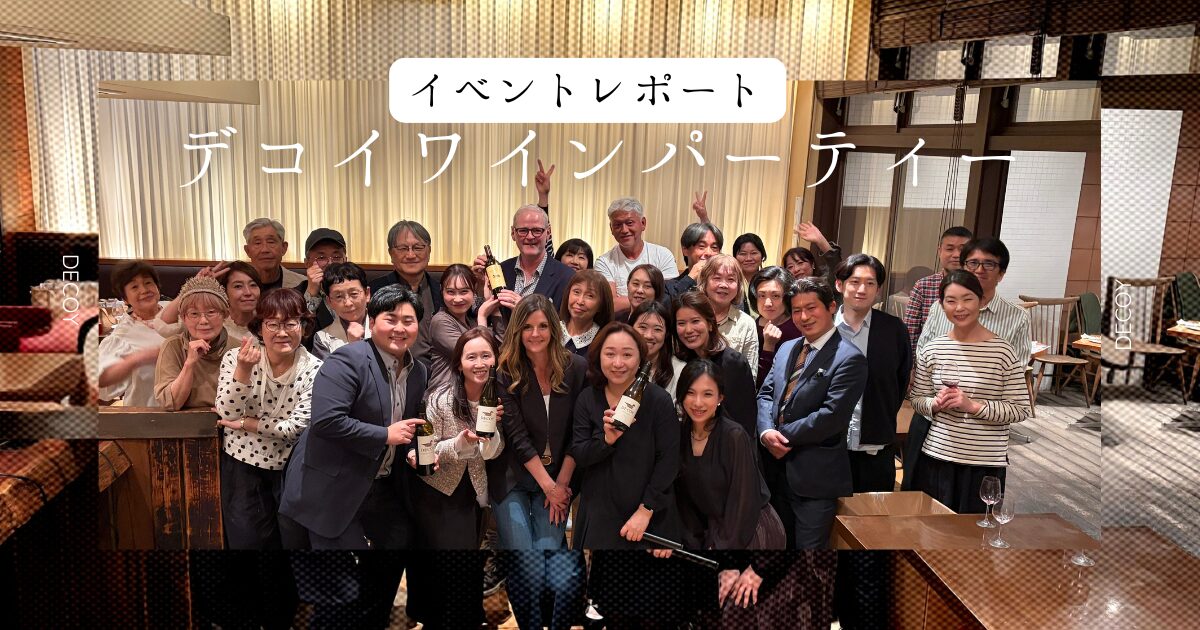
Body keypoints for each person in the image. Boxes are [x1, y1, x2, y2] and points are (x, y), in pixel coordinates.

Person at [278, 286, 429, 626]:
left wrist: (411, 452)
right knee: (337, 592)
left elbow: (407, 426)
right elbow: (327, 421)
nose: (400, 328)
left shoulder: (418, 371)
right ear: (372, 321)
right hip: (331, 487)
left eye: (408, 320)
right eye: (390, 319)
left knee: (396, 545)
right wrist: (385, 435)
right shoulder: (347, 360)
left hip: (380, 485)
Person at [571, 322, 688, 629]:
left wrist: (645, 510)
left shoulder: (658, 400)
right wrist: (606, 440)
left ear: (640, 359)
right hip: (603, 515)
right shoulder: (587, 399)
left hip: (649, 514)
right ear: (598, 356)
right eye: (610, 354)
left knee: (650, 610)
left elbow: (669, 461)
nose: (618, 362)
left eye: (627, 354)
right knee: (610, 608)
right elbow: (580, 454)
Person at [488, 295, 588, 630]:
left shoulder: (576, 367)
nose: (535, 334)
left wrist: (561, 485)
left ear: (554, 329)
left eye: (543, 326)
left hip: (560, 476)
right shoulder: (505, 371)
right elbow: (516, 437)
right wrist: (550, 487)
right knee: (526, 563)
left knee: (546, 560)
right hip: (513, 477)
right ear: (517, 331)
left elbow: (579, 432)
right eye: (527, 327)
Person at [906, 237, 1031, 490]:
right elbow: (920, 394)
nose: (959, 308)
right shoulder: (935, 343)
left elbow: (1018, 405)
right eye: (973, 263)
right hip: (937, 447)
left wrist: (972, 405)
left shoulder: (1004, 345)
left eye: (989, 264)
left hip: (984, 453)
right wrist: (934, 403)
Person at [830, 255, 912, 630]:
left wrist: (878, 424)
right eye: (854, 282)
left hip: (874, 454)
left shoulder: (893, 330)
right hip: (828, 456)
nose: (861, 289)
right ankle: (827, 610)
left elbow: (899, 382)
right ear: (839, 285)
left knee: (869, 542)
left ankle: (861, 619)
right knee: (828, 538)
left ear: (878, 290)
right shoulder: (822, 326)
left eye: (870, 283)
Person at [756, 278, 867, 549]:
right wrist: (765, 431)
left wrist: (779, 435)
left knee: (810, 560)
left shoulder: (849, 357)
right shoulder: (787, 348)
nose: (803, 317)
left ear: (831, 307)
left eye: (811, 308)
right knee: (774, 547)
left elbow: (831, 416)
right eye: (796, 310)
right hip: (774, 473)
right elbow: (765, 395)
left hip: (815, 478)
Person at [215, 288, 320, 549]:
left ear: (303, 327)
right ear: (260, 328)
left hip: (290, 467)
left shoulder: (315, 369)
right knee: (246, 541)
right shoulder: (236, 358)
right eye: (273, 324)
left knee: (293, 542)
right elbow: (227, 412)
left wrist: (246, 423)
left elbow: (295, 428)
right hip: (241, 463)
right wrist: (243, 370)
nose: (282, 332)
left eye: (290, 323)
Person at [675, 360, 785, 550]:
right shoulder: (680, 434)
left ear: (720, 398)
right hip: (713, 530)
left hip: (749, 529)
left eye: (707, 394)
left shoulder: (734, 435)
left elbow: (743, 501)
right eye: (690, 393)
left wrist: (722, 545)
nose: (698, 402)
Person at [673, 291, 757, 437]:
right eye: (681, 323)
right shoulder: (679, 362)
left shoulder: (733, 363)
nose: (688, 330)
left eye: (695, 321)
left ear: (710, 324)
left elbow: (745, 420)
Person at [153, 276, 235, 410]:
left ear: (225, 314)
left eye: (211, 312)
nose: (203, 321)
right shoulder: (173, 346)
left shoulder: (238, 348)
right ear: (183, 318)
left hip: (229, 422)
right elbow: (170, 404)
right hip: (186, 422)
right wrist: (190, 363)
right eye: (194, 314)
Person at [474, 204, 576, 309]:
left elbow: (565, 318)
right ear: (513, 233)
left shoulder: (567, 277)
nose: (530, 236)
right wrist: (481, 284)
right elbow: (482, 313)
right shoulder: (500, 271)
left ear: (548, 233)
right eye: (523, 231)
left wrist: (524, 308)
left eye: (537, 231)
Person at [368, 220, 443, 362]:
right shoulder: (375, 290)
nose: (411, 255)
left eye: (418, 247)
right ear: (391, 253)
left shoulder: (443, 291)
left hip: (436, 372)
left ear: (429, 251)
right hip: (388, 369)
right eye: (403, 248)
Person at [98, 261, 171, 407]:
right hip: (150, 411)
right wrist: (137, 359)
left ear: (157, 287)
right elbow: (99, 381)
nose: (144, 290)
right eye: (134, 287)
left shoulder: (174, 309)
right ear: (125, 298)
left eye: (148, 283)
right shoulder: (122, 335)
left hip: (196, 406)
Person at [594, 197, 680, 312]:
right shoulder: (604, 262)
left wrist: (628, 301)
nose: (624, 230)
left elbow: (669, 297)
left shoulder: (663, 255)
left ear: (643, 223)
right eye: (617, 225)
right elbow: (611, 304)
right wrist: (652, 297)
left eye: (629, 223)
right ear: (611, 228)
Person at [904, 226, 973, 359]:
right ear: (940, 251)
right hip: (929, 363)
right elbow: (910, 331)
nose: (956, 255)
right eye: (950, 249)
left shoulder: (977, 288)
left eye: (962, 249)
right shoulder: (923, 286)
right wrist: (912, 365)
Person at [427, 264, 501, 388]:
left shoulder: (472, 321)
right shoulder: (440, 321)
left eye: (464, 291)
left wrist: (495, 309)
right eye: (450, 292)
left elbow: (500, 351)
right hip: (445, 393)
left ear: (474, 290)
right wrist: (482, 316)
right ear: (442, 291)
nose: (457, 299)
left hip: (471, 394)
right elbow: (477, 355)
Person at [699, 254, 760, 381]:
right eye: (717, 278)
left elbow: (750, 373)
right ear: (704, 282)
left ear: (738, 286)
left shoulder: (746, 323)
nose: (724, 285)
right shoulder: (691, 316)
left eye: (731, 279)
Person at [750, 267, 802, 389]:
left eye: (776, 296)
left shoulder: (799, 327)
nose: (768, 303)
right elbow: (756, 381)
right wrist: (768, 346)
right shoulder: (750, 326)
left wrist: (769, 346)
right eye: (761, 295)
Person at [312, 262, 371, 359]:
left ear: (367, 294)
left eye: (354, 294)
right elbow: (330, 369)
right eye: (339, 296)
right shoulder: (323, 339)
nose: (348, 303)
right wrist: (353, 345)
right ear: (329, 302)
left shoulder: (386, 327)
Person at [630, 300, 686, 403]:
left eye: (657, 329)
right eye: (643, 327)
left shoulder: (680, 371)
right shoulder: (621, 365)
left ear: (666, 334)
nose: (649, 336)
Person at [296, 227, 347, 332]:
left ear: (345, 261)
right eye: (321, 258)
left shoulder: (357, 291)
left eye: (336, 257)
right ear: (307, 263)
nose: (330, 263)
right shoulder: (294, 296)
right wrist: (311, 295)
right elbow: (297, 334)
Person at [558, 269, 614, 357]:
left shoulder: (604, 341)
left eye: (590, 296)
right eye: (576, 292)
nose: (580, 301)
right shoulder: (551, 330)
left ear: (601, 305)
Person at [241, 218, 305, 292]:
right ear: (247, 250)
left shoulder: (303, 285)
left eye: (271, 242)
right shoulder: (234, 286)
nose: (265, 249)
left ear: (284, 248)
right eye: (257, 243)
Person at [218, 261, 261, 343]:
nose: (248, 292)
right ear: (224, 291)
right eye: (238, 286)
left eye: (253, 285)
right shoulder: (216, 326)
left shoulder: (269, 323)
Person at [731, 233, 767, 316]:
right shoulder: (731, 282)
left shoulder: (770, 280)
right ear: (735, 257)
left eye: (754, 253)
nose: (748, 258)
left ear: (762, 255)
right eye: (743, 254)